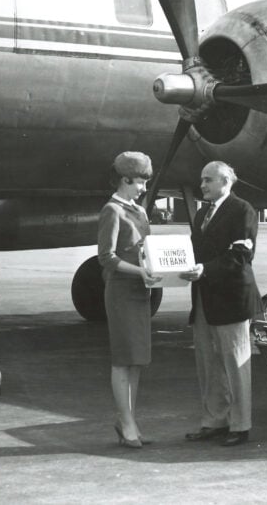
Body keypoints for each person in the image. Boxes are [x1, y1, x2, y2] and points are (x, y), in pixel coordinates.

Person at [179, 161, 259, 447]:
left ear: (225, 181)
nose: (202, 185)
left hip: (231, 297)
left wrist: (204, 270)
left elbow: (240, 256)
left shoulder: (243, 210)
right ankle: (214, 421)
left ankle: (240, 425)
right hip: (203, 297)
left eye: (208, 180)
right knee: (208, 363)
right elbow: (192, 250)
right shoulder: (202, 212)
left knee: (235, 363)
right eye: (202, 180)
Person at [97, 151, 160, 449]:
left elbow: (145, 249)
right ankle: (126, 422)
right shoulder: (113, 210)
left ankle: (128, 419)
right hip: (122, 290)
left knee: (136, 360)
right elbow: (106, 257)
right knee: (123, 360)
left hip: (139, 291)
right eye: (139, 183)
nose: (143, 188)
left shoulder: (139, 210)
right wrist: (141, 271)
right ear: (124, 180)